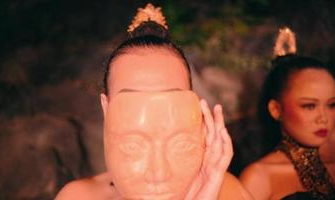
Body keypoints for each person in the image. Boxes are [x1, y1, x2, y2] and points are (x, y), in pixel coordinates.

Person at [55, 3, 251, 200]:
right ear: (107, 108)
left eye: (179, 143)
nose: (158, 175)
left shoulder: (230, 193)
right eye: (134, 145)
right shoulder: (79, 197)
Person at [239, 27, 335, 200]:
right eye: (309, 106)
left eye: (332, 105)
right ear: (276, 110)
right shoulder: (260, 177)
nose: (323, 118)